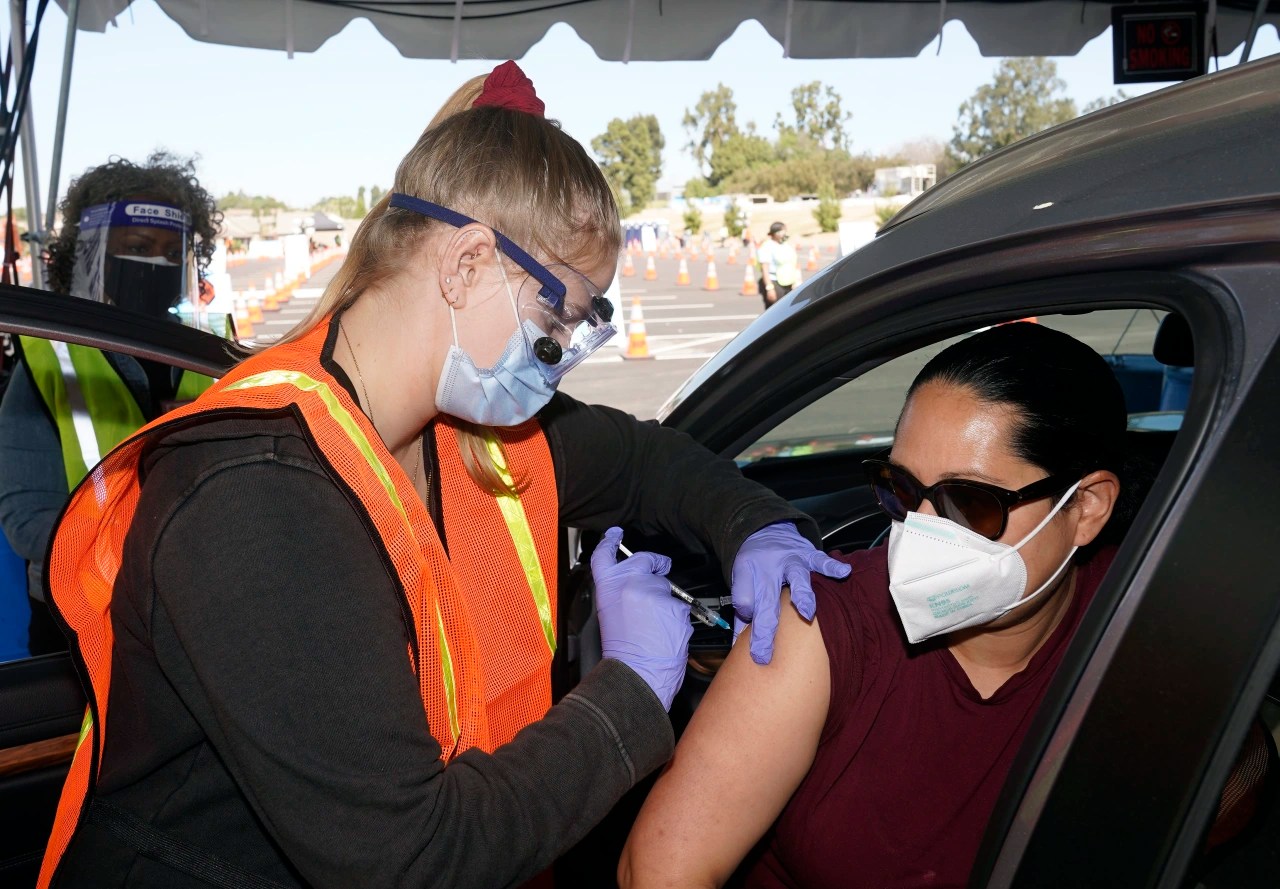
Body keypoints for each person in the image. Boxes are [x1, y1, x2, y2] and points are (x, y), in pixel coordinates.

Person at [36, 61, 848, 889]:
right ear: (465, 264)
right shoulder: (255, 494)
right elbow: (409, 859)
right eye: (557, 315)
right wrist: (629, 693)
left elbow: (647, 461)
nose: (562, 355)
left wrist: (759, 526)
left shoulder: (479, 434)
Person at [623, 324, 1135, 887]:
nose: (922, 530)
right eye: (903, 489)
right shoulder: (827, 620)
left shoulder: (1149, 619)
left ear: (1086, 507)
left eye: (970, 502)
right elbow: (659, 874)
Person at [0, 152, 221, 656]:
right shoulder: (48, 359)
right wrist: (163, 547)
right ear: (89, 254)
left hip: (197, 611)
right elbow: (28, 520)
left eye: (171, 252)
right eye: (138, 248)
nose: (155, 266)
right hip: (79, 620)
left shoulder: (210, 351)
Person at [756, 221, 799, 310]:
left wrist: (796, 281)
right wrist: (769, 288)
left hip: (788, 282)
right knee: (775, 311)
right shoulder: (767, 247)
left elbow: (792, 264)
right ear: (775, 233)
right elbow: (765, 269)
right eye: (782, 231)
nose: (784, 233)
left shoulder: (785, 245)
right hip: (774, 282)